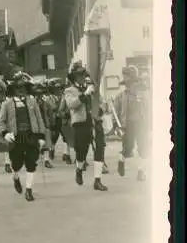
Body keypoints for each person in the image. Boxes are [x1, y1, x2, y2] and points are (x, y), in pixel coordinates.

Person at [0, 72, 46, 202]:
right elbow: (0, 122)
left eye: (24, 88)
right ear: (13, 90)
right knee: (16, 164)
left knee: (31, 163)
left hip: (31, 136)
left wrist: (41, 136)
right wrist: (5, 133)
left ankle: (29, 190)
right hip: (16, 138)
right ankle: (16, 177)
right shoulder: (6, 104)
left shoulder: (32, 101)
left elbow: (39, 119)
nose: (21, 91)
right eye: (18, 88)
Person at [64, 62, 108, 191]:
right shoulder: (69, 90)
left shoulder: (92, 88)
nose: (82, 77)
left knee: (99, 148)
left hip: (95, 121)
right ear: (74, 78)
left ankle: (97, 180)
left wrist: (101, 109)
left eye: (83, 75)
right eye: (79, 75)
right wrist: (84, 95)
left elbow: (103, 102)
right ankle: (79, 169)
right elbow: (71, 105)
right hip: (81, 123)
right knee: (81, 151)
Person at [114, 66, 150, 181]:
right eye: (125, 77)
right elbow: (115, 112)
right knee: (128, 149)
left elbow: (148, 109)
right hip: (127, 125)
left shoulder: (142, 93)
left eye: (128, 77)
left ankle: (141, 172)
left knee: (143, 148)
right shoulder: (120, 96)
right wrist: (116, 126)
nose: (127, 81)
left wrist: (150, 124)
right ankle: (121, 160)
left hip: (140, 124)